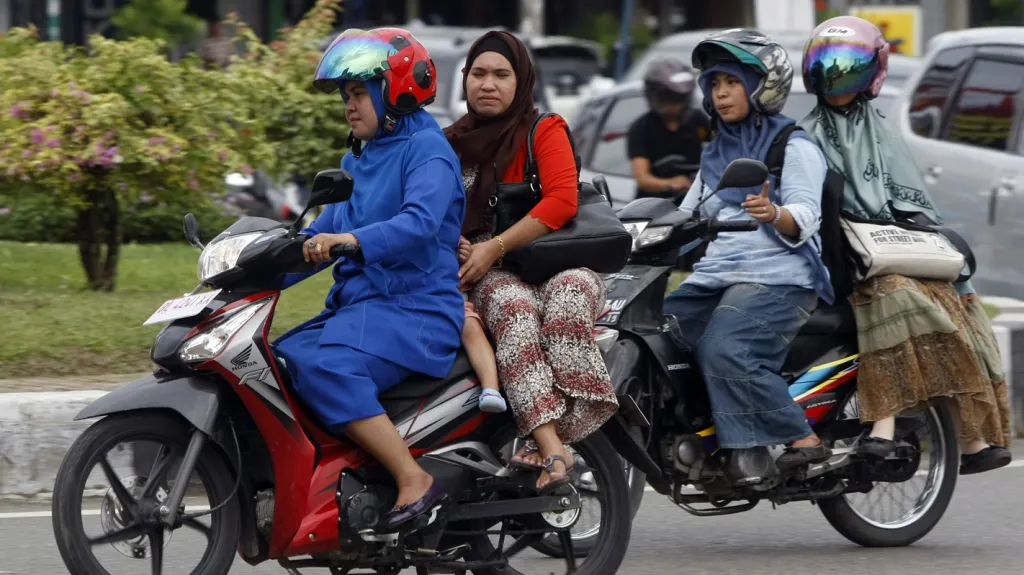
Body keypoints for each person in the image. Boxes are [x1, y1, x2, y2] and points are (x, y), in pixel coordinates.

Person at [799, 16, 1012, 474]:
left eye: (847, 66)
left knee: (960, 310)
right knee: (899, 297)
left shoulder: (881, 132)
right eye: (827, 64)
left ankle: (970, 437)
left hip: (893, 247)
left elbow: (916, 208)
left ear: (870, 71)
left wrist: (962, 277)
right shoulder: (806, 134)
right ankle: (883, 426)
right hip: (845, 261)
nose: (835, 76)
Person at [273, 28, 465, 530]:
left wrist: (350, 243)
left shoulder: (429, 151)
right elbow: (323, 234)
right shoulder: (356, 159)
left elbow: (419, 223)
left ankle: (412, 477)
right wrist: (254, 267)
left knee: (326, 367)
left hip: (418, 310)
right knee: (279, 360)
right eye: (346, 96)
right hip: (365, 307)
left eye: (359, 93)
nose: (349, 106)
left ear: (394, 90)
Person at [444, 31, 619, 491]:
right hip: (490, 271)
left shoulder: (545, 128)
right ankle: (550, 443)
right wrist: (461, 245)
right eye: (478, 74)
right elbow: (432, 214)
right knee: (515, 313)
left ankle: (562, 433)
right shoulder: (448, 144)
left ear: (521, 81)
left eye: (502, 74)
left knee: (568, 299)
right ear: (464, 79)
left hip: (558, 258)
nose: (488, 84)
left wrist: (494, 245)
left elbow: (562, 201)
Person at [664, 30, 836, 487]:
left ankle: (803, 442)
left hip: (780, 278)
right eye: (714, 83)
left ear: (761, 85)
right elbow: (685, 219)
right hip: (718, 275)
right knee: (655, 334)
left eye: (732, 82)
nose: (720, 93)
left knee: (726, 348)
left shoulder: (794, 146)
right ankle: (707, 436)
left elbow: (805, 215)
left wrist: (774, 213)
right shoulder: (716, 154)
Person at [627, 57, 711, 200]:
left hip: (695, 200)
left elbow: (718, 149)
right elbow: (642, 178)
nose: (674, 105)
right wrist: (671, 184)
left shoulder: (698, 121)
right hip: (653, 204)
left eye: (678, 99)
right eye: (668, 99)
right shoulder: (641, 128)